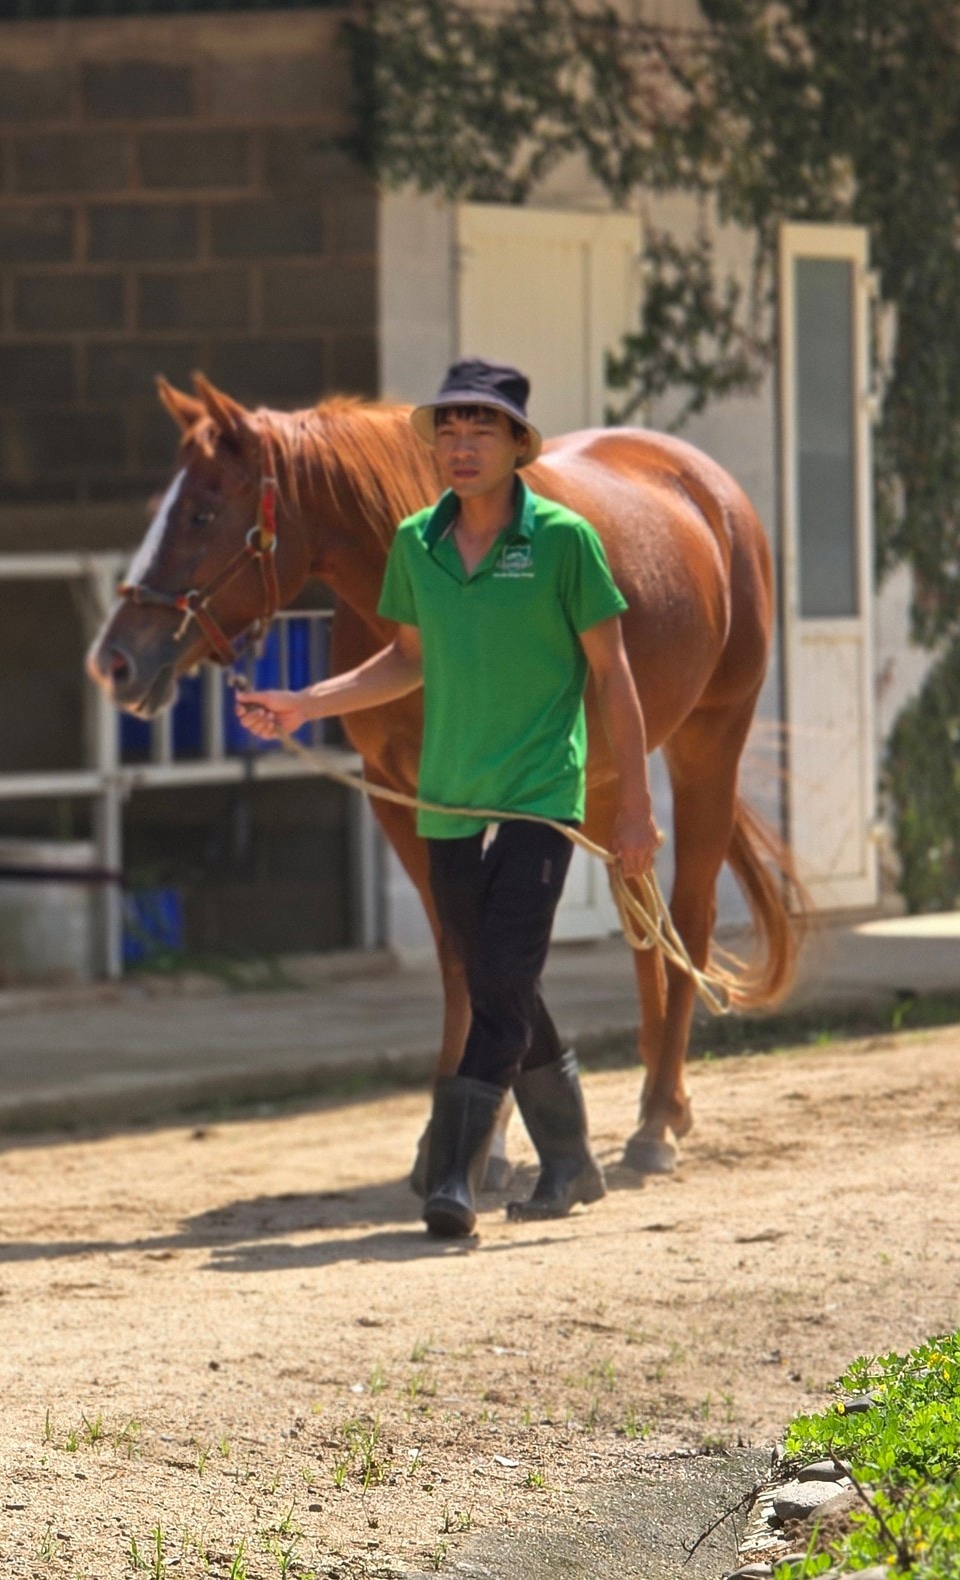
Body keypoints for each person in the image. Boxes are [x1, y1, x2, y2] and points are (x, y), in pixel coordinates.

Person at [240, 357, 658, 1238]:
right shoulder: (414, 545)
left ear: (516, 446)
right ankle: (574, 1160)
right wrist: (303, 705)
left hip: (543, 795)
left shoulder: (563, 542)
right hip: (448, 799)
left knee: (499, 975)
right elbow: (404, 660)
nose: (461, 446)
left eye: (482, 430)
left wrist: (634, 809)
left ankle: (454, 1172)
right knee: (499, 977)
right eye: (449, 430)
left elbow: (614, 677)